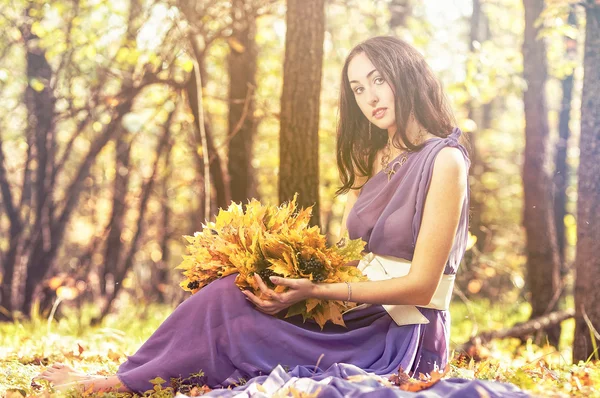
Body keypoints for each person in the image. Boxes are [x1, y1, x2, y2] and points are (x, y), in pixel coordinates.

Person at [35, 36, 528, 397]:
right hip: (355, 309)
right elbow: (361, 258)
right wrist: (296, 272)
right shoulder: (379, 159)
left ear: (408, 74)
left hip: (398, 332)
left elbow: (421, 286)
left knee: (232, 308)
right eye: (358, 88)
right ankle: (130, 375)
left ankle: (116, 384)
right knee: (234, 289)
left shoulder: (445, 160)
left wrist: (317, 292)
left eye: (379, 79)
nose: (370, 96)